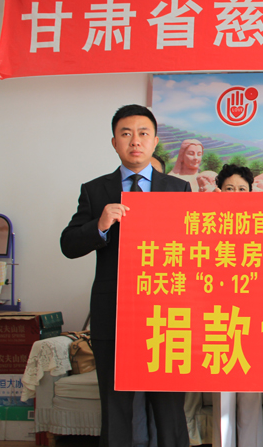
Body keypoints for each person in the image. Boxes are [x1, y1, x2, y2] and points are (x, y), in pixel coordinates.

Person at [60, 104, 191, 447]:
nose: (135, 141)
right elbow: (68, 244)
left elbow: (193, 249)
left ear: (155, 141)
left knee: (169, 407)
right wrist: (100, 225)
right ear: (114, 142)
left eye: (143, 133)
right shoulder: (95, 190)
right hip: (114, 312)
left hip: (166, 313)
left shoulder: (178, 189)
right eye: (126, 133)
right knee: (116, 405)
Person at [212, 164, 263, 447]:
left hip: (252, 319)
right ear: (219, 191)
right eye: (229, 188)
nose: (236, 193)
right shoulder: (204, 226)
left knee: (250, 392)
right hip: (218, 319)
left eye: (242, 189)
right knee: (223, 393)